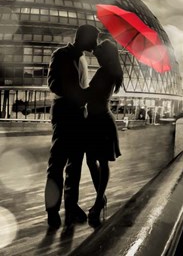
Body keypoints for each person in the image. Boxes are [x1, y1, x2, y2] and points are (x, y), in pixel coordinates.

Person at [45, 24, 99, 230]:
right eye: (93, 39)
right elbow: (53, 84)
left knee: (74, 165)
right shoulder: (61, 54)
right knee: (57, 164)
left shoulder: (83, 59)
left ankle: (71, 206)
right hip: (64, 113)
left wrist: (84, 94)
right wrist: (75, 93)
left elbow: (81, 88)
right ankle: (52, 211)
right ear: (84, 39)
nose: (95, 44)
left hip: (78, 115)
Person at [84, 39, 123, 227]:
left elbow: (89, 95)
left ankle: (99, 200)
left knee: (97, 160)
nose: (96, 56)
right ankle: (100, 198)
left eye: (98, 53)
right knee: (98, 161)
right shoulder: (110, 72)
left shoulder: (104, 72)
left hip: (99, 121)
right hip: (99, 120)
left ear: (105, 55)